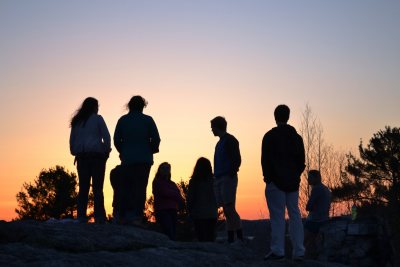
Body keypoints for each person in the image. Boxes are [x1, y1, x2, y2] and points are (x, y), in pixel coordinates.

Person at [261, 104, 306, 261]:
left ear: (275, 117)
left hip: (275, 183)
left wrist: (269, 178)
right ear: (288, 116)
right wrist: (295, 176)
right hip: (293, 182)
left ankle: (278, 250)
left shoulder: (269, 136)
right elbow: (302, 162)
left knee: (277, 216)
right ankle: (299, 251)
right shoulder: (297, 138)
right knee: (295, 214)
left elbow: (265, 161)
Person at [113, 95, 161, 225]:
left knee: (126, 187)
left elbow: (116, 140)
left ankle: (124, 215)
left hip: (127, 159)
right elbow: (156, 139)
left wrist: (123, 151)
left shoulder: (122, 120)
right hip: (144, 160)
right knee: (140, 187)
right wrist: (151, 149)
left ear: (129, 106)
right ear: (142, 106)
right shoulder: (148, 120)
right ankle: (137, 216)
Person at [69, 97, 111, 223]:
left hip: (82, 158)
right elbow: (107, 137)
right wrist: (105, 152)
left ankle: (81, 217)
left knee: (83, 188)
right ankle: (99, 217)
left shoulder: (77, 121)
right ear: (94, 107)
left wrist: (76, 152)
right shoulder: (98, 119)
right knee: (98, 188)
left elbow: (72, 142)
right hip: (97, 157)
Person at [210, 116, 243, 244]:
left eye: (212, 127)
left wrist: (230, 173)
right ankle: (231, 238)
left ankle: (239, 236)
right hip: (219, 178)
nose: (211, 130)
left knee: (229, 208)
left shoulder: (230, 140)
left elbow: (237, 160)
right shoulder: (219, 143)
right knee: (226, 209)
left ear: (218, 127)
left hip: (227, 178)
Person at [187, 157, 218, 242]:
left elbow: (190, 198)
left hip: (198, 214)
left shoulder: (194, 182)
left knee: (201, 239)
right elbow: (218, 197)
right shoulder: (214, 180)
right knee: (211, 238)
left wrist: (189, 210)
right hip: (212, 214)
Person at [304, 170, 331, 259]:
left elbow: (308, 207)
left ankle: (305, 258)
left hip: (315, 221)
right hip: (324, 219)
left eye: (310, 177)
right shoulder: (326, 188)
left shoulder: (317, 189)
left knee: (303, 239)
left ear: (316, 178)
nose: (308, 180)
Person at [152, 162, 183, 240]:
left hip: (173, 210)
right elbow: (164, 192)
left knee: (174, 231)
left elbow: (179, 195)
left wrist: (175, 195)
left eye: (168, 169)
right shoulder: (156, 182)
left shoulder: (172, 183)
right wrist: (174, 194)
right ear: (160, 170)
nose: (166, 170)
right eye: (164, 168)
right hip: (162, 210)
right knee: (168, 232)